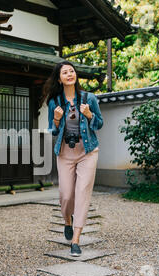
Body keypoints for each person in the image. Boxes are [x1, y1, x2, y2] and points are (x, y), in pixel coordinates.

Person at [41, 61, 103, 256]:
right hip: (65, 153)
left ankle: (76, 240)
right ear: (59, 79)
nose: (69, 74)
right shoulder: (54, 102)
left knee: (83, 193)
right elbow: (53, 130)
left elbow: (99, 123)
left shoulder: (89, 98)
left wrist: (90, 114)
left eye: (72, 71)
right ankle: (67, 221)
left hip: (88, 151)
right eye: (65, 72)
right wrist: (57, 120)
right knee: (66, 195)